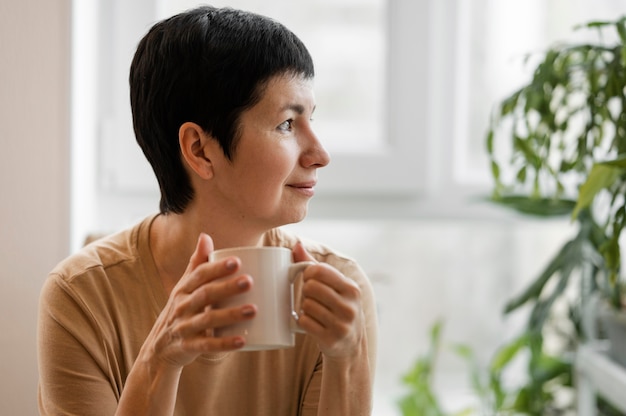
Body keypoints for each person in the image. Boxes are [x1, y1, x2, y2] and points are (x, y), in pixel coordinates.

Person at [37, 5, 378, 416]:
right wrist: (160, 358)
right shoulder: (81, 298)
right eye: (287, 124)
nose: (320, 154)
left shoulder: (335, 297)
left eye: (311, 121)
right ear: (199, 149)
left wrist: (347, 357)